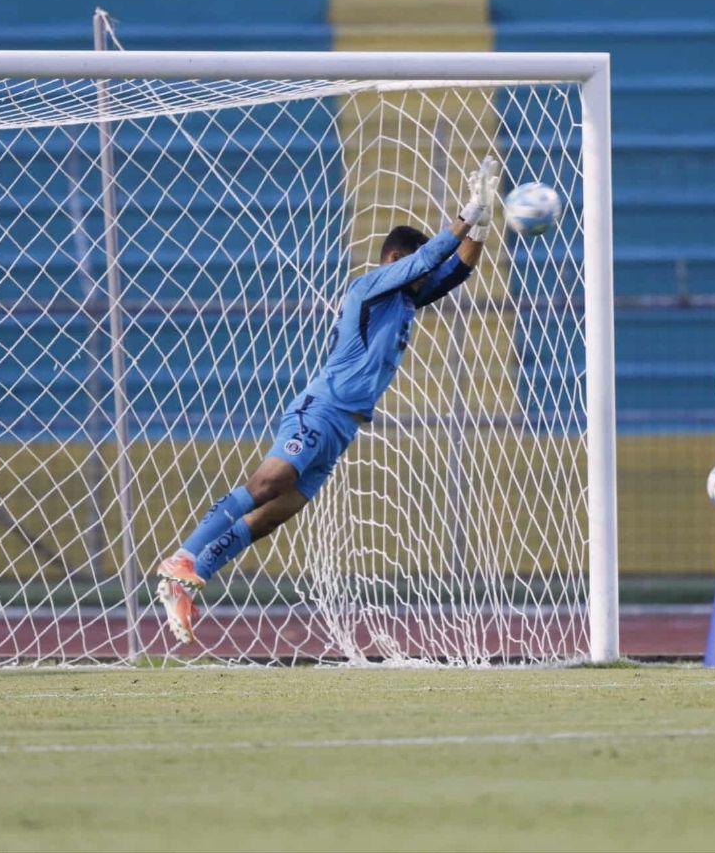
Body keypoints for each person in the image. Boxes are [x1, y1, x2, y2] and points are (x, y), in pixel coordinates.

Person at [155, 157, 500, 644]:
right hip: (321, 409)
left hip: (343, 426)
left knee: (274, 514)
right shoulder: (370, 287)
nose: (424, 279)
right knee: (269, 481)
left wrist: (480, 225)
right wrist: (466, 213)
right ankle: (184, 556)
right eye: (414, 269)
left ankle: (190, 581)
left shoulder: (405, 298)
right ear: (393, 261)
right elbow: (427, 262)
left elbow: (456, 271)